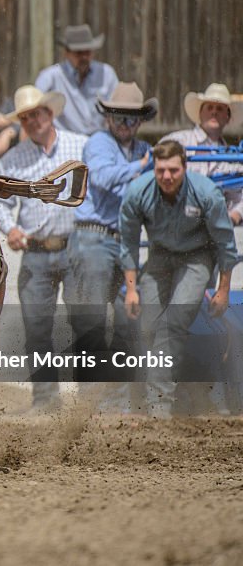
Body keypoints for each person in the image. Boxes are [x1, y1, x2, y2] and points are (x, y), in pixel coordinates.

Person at [120, 140, 239, 418]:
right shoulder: (138, 192)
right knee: (149, 326)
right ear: (154, 168)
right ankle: (186, 394)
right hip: (159, 257)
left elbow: (225, 245)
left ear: (184, 167)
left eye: (173, 170)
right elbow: (127, 243)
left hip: (197, 259)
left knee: (172, 324)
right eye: (161, 170)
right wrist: (131, 290)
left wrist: (223, 290)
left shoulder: (206, 193)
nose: (167, 177)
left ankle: (159, 409)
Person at [0, 85, 88, 413]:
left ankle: (87, 400)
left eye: (37, 113)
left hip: (76, 246)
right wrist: (11, 228)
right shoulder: (13, 160)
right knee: (36, 328)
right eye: (26, 117)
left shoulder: (81, 146)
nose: (33, 121)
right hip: (36, 250)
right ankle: (45, 399)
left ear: (50, 113)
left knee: (84, 321)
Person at [65, 82, 155, 407]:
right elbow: (102, 177)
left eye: (131, 118)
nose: (125, 124)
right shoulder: (99, 143)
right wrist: (144, 169)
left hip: (124, 243)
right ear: (108, 118)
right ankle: (88, 404)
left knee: (127, 320)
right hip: (94, 237)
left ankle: (116, 404)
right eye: (119, 117)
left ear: (140, 121)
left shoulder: (143, 150)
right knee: (91, 321)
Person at [161, 83, 243, 226]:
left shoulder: (232, 157)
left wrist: (235, 215)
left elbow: (238, 196)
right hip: (176, 222)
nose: (214, 112)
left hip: (214, 228)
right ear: (200, 113)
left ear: (227, 116)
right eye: (209, 107)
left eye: (220, 108)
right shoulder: (176, 141)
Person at [34, 24, 119, 136]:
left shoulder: (106, 73)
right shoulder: (50, 77)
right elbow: (33, 107)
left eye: (87, 52)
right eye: (79, 53)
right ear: (66, 53)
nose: (84, 57)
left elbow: (118, 109)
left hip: (99, 138)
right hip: (64, 140)